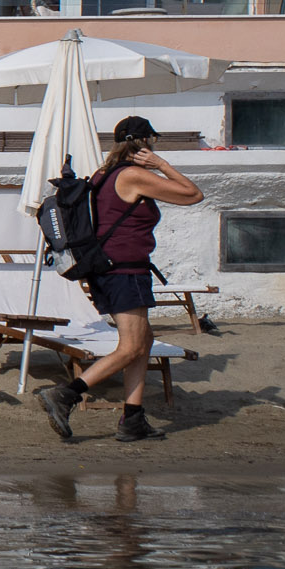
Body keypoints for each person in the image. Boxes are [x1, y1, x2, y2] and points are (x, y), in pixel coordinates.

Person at [38, 117, 204, 443]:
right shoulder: (133, 175)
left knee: (143, 342)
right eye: (152, 143)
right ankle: (67, 394)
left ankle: (134, 418)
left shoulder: (102, 176)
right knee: (131, 347)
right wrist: (161, 164)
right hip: (124, 271)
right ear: (145, 143)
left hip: (107, 269)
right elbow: (192, 195)